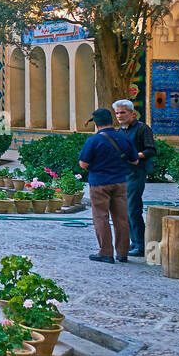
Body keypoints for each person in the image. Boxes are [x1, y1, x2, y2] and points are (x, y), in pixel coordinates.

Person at [78, 108, 138, 263]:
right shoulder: (123, 138)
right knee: (121, 218)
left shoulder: (93, 140)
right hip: (120, 182)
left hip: (99, 183)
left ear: (96, 123)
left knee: (101, 217)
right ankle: (123, 253)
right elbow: (135, 160)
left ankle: (106, 252)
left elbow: (83, 164)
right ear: (111, 120)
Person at [114, 98, 156, 258]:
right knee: (124, 210)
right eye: (117, 113)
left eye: (122, 112)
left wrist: (135, 155)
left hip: (137, 172)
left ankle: (140, 245)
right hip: (122, 174)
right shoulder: (120, 131)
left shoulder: (142, 128)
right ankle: (134, 241)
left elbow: (151, 150)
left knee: (133, 208)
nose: (119, 115)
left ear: (132, 113)